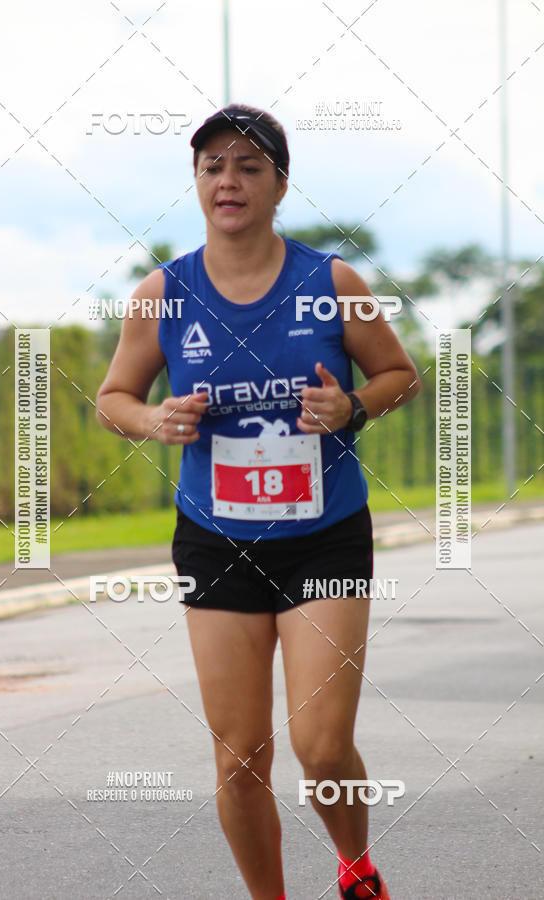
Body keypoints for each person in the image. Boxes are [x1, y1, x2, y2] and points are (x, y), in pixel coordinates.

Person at [96, 102, 421, 900]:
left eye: (249, 166)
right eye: (213, 166)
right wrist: (153, 418)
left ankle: (354, 863)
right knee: (240, 757)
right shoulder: (162, 294)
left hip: (325, 537)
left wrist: (352, 407)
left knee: (318, 745)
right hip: (216, 540)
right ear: (197, 184)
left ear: (280, 184)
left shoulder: (331, 283)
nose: (229, 180)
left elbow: (399, 375)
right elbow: (113, 397)